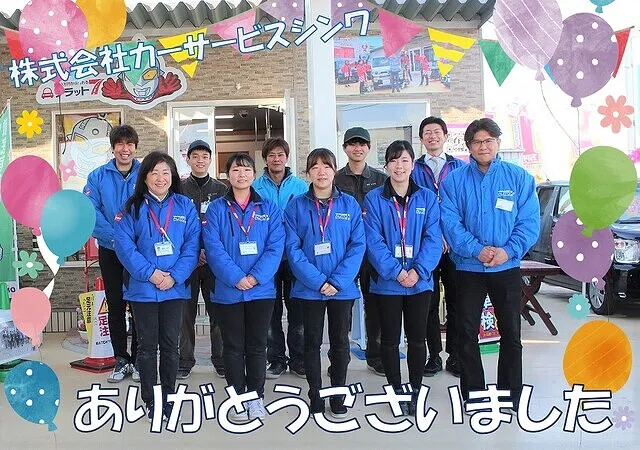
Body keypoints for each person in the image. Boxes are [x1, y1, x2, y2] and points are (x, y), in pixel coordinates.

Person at [439, 118, 540, 414]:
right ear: (469, 146)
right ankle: (474, 393)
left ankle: (511, 393)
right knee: (466, 332)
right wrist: (476, 250)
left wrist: (508, 251)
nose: (483, 146)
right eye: (477, 142)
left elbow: (529, 222)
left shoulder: (519, 178)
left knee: (511, 333)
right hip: (468, 269)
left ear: (498, 143)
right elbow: (450, 222)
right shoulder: (454, 181)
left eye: (488, 141)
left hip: (505, 269)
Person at [114, 151, 200, 421]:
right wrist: (151, 274)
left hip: (175, 288)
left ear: (173, 176)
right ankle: (151, 400)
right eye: (155, 173)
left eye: (166, 172)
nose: (161, 178)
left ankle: (169, 397)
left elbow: (192, 246)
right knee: (147, 347)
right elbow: (125, 248)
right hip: (143, 290)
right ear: (145, 177)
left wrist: (174, 276)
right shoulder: (132, 208)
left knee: (171, 346)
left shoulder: (184, 206)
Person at [203, 153, 285, 422]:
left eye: (247, 169)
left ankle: (256, 396)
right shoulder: (216, 209)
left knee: (257, 346)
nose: (241, 174)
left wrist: (256, 277)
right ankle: (237, 397)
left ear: (254, 174)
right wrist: (237, 277)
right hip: (228, 291)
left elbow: (275, 246)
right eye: (236, 170)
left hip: (261, 290)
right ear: (227, 175)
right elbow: (213, 248)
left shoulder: (268, 208)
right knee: (233, 346)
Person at [285, 148, 365, 417]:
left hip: (342, 289)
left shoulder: (349, 205)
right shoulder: (296, 206)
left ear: (334, 170)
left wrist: (338, 281)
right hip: (310, 289)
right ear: (308, 172)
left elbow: (358, 246)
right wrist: (318, 281)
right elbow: (292, 248)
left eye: (327, 166)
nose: (321, 171)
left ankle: (338, 394)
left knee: (341, 343)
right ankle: (315, 393)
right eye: (315, 166)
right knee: (311, 342)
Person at [363, 140, 442, 415]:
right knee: (389, 340)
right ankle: (396, 389)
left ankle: (416, 389)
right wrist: (396, 272)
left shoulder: (427, 198)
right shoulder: (374, 199)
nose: (399, 166)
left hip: (420, 282)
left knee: (417, 339)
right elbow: (373, 241)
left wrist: (418, 271)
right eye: (394, 160)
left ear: (412, 165)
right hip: (387, 284)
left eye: (405, 160)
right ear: (386, 165)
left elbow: (433, 238)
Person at [84, 124, 141, 383]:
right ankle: (121, 359)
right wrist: (116, 239)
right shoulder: (97, 176)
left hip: (140, 253)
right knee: (115, 305)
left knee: (140, 304)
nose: (125, 149)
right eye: (120, 144)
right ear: (113, 147)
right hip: (110, 250)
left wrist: (134, 242)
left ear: (135, 147)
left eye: (129, 144)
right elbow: (90, 212)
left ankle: (139, 360)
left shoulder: (146, 173)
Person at [411, 117, 466, 378]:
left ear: (445, 136)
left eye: (436, 132)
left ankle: (455, 355)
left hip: (455, 247)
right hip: (425, 246)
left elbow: (464, 206)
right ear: (421, 139)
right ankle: (432, 355)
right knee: (428, 303)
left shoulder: (459, 167)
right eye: (427, 133)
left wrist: (450, 236)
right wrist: (435, 238)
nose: (432, 136)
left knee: (457, 301)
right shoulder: (413, 168)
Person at [334, 127, 388, 376]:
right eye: (352, 144)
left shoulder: (381, 179)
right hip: (342, 254)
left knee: (374, 305)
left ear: (368, 148)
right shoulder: (335, 179)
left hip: (373, 253)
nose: (357, 148)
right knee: (341, 308)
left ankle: (375, 357)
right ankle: (339, 359)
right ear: (345, 148)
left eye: (362, 144)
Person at [253, 138, 308, 379]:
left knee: (298, 309)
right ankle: (276, 359)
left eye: (281, 155)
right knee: (270, 311)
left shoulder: (301, 187)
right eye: (272, 155)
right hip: (266, 258)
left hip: (295, 257)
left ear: (287, 157)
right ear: (265, 158)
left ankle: (299, 359)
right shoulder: (255, 187)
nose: (276, 159)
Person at [177, 140, 228, 380]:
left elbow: (226, 226)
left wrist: (209, 251)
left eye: (204, 156)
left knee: (218, 312)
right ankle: (184, 361)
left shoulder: (222, 189)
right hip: (185, 262)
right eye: (195, 156)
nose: (200, 160)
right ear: (188, 159)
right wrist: (192, 252)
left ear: (210, 159)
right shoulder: (178, 188)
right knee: (184, 314)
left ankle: (221, 360)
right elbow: (175, 225)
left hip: (214, 262)